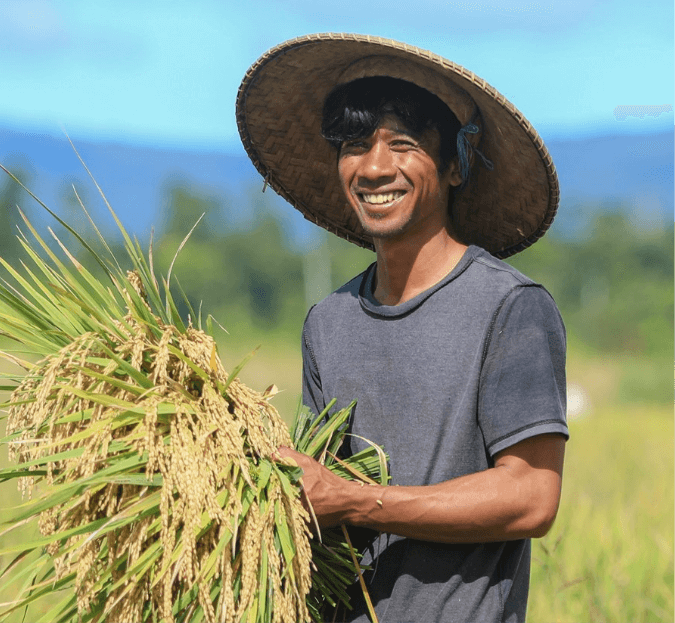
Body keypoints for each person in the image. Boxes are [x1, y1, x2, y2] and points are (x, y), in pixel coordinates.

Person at [237, 33, 569, 623]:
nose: (374, 167)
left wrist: (356, 502)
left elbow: (530, 497)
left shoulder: (510, 308)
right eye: (354, 145)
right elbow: (322, 493)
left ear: (454, 164)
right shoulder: (328, 322)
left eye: (403, 143)